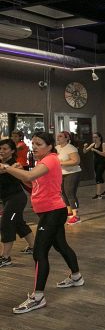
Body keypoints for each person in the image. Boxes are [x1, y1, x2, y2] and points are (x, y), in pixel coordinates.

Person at [0, 132, 84, 314]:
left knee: (39, 253)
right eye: (34, 144)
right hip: (49, 212)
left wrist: (6, 168)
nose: (34, 147)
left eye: (39, 144)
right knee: (61, 246)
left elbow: (30, 178)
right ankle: (76, 277)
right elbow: (31, 183)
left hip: (53, 213)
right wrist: (17, 170)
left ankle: (38, 297)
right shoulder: (43, 161)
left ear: (49, 146)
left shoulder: (51, 160)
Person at [0, 139, 34, 267]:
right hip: (7, 199)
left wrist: (7, 168)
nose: (2, 151)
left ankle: (5, 257)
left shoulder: (16, 164)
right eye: (0, 149)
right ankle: (33, 247)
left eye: (5, 149)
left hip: (16, 199)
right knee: (19, 223)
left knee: (7, 223)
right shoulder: (5, 164)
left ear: (12, 151)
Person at [56, 131, 82, 225]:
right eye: (58, 136)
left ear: (67, 138)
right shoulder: (57, 148)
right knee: (63, 193)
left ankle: (76, 216)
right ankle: (69, 212)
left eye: (60, 136)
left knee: (70, 193)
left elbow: (76, 161)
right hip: (61, 173)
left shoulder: (71, 148)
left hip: (73, 173)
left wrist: (60, 163)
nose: (58, 138)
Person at [83, 132, 105, 199]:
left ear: (99, 137)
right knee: (100, 177)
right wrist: (85, 147)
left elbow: (103, 154)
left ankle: (98, 194)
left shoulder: (103, 144)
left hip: (102, 163)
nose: (94, 139)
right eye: (93, 137)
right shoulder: (93, 144)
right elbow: (85, 151)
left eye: (96, 137)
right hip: (96, 163)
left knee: (98, 177)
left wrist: (95, 150)